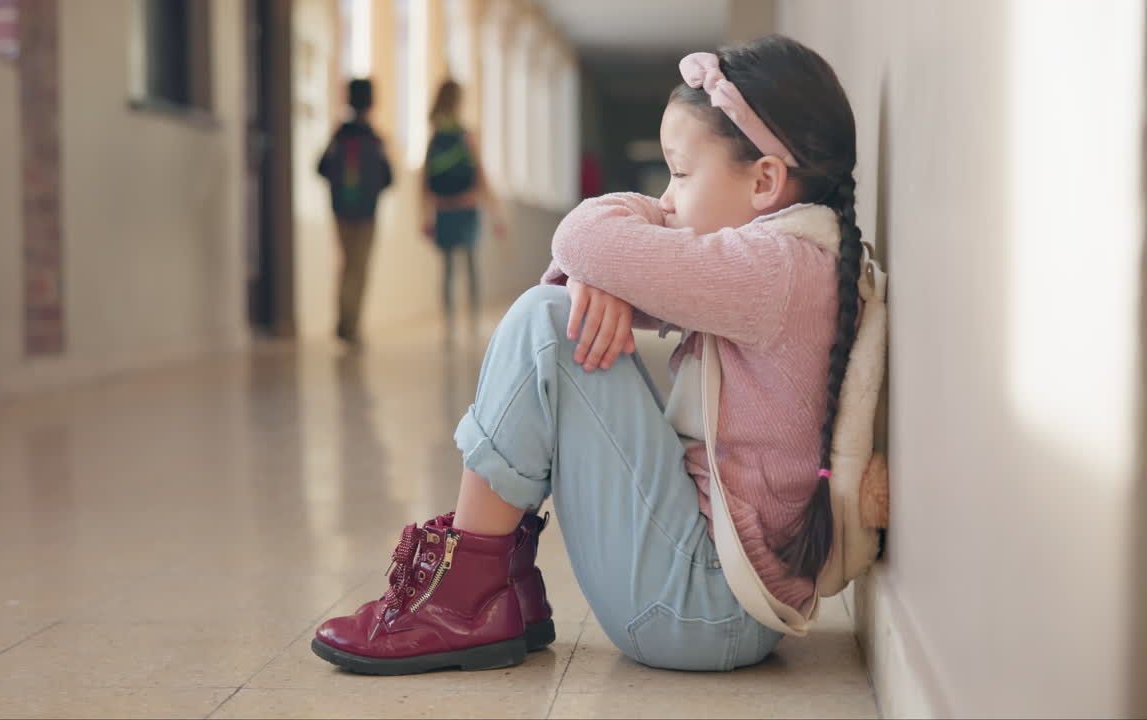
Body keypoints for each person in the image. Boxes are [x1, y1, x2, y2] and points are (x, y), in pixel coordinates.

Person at [311, 34, 864, 675]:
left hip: (703, 607)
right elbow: (576, 262)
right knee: (560, 315)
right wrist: (598, 276)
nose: (666, 198)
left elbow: (578, 237)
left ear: (765, 180)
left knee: (549, 323)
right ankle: (494, 586)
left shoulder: (774, 268)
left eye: (680, 173)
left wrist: (608, 254)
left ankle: (466, 596)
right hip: (716, 600)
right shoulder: (787, 261)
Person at [422, 80, 506, 331]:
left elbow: (425, 181)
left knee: (447, 269)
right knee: (471, 264)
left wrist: (425, 214)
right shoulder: (466, 136)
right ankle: (473, 318)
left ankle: (448, 321)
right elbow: (481, 175)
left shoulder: (435, 137)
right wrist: (495, 212)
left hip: (443, 208)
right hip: (467, 205)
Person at [318, 78, 393, 344]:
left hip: (340, 209)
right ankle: (351, 326)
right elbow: (388, 178)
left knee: (346, 264)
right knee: (358, 268)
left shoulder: (339, 134)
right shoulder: (374, 138)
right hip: (366, 213)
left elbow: (321, 167)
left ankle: (344, 322)